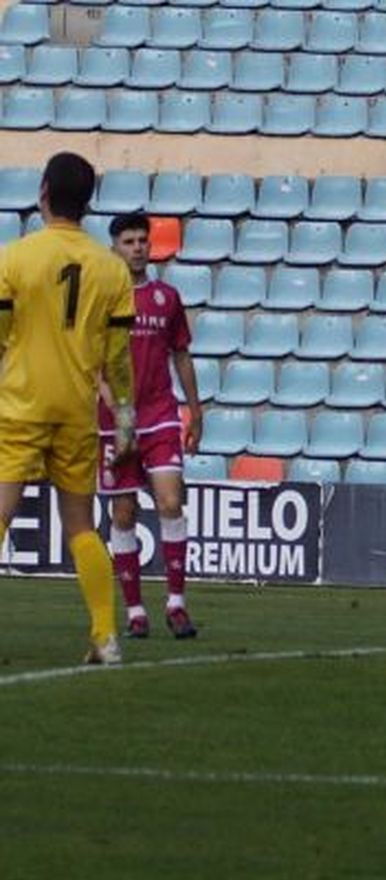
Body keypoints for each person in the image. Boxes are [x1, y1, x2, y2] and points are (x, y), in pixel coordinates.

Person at [0, 152, 137, 664]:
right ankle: (105, 636)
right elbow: (118, 360)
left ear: (42, 193)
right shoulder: (113, 270)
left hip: (22, 404)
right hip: (77, 411)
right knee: (80, 524)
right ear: (89, 203)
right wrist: (124, 417)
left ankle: (105, 636)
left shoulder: (14, 258)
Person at [98, 213, 200, 640]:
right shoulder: (100, 302)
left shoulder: (166, 298)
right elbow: (91, 366)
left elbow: (180, 354)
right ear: (114, 248)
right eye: (129, 241)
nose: (138, 247)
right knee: (123, 514)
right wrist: (118, 413)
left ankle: (176, 604)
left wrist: (195, 408)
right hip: (112, 421)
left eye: (142, 240)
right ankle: (135, 611)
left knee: (170, 501)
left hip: (159, 415)